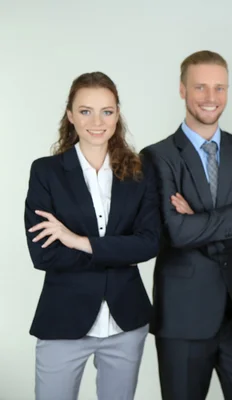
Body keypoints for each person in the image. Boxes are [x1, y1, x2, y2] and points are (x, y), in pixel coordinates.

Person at [140, 50, 232, 400]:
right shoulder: (158, 156)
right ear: (183, 90)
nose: (211, 98)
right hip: (183, 315)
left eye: (219, 87)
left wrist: (201, 219)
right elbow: (176, 232)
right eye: (200, 87)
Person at [24, 72, 161, 400]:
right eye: (85, 111)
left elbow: (149, 243)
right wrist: (118, 253)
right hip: (63, 320)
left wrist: (76, 240)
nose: (97, 121)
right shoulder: (46, 172)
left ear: (117, 114)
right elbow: (44, 254)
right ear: (70, 116)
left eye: (107, 111)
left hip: (126, 322)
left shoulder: (139, 172)